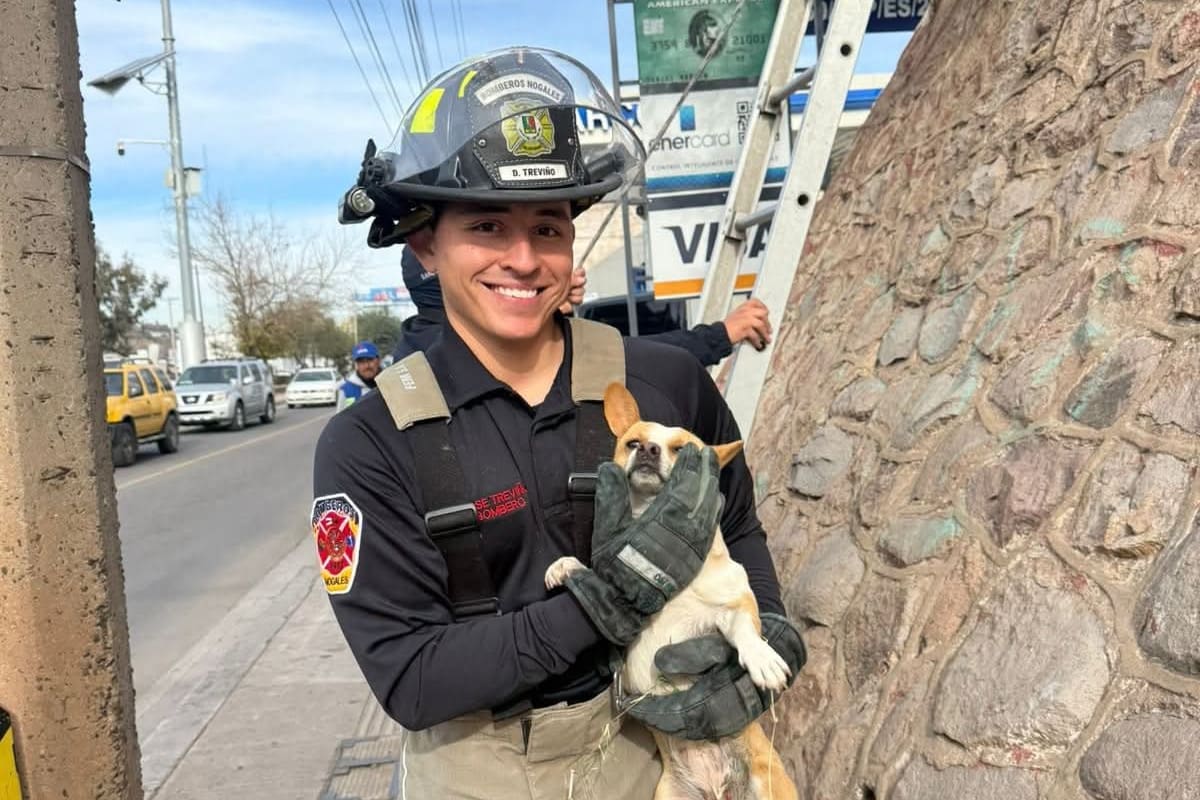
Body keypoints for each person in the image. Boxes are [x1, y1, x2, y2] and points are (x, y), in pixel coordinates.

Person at [316, 47, 804, 799]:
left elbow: (736, 523)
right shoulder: (368, 444)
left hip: (652, 753)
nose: (523, 259)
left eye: (548, 228)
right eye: (486, 225)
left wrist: (763, 628)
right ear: (424, 243)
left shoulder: (664, 382)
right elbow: (410, 677)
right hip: (477, 768)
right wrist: (604, 604)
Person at [395, 245, 774, 366]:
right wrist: (721, 335)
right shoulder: (474, 355)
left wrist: (546, 309)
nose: (526, 266)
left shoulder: (413, 349)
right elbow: (627, 359)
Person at [335, 341, 381, 411]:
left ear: (378, 361)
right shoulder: (346, 390)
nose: (366, 366)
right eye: (361, 362)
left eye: (370, 360)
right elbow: (340, 419)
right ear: (356, 364)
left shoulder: (388, 384)